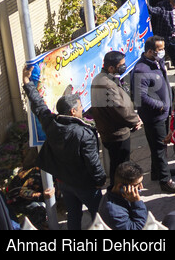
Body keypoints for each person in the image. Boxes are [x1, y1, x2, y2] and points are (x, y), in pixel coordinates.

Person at [22, 67, 107, 230]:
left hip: (64, 182)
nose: (83, 109)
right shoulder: (84, 134)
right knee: (99, 216)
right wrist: (100, 181)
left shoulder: (51, 124)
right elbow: (93, 163)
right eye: (81, 107)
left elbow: (38, 105)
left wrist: (27, 82)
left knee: (74, 216)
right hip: (85, 185)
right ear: (73, 111)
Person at [130, 36, 175, 194]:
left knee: (161, 145)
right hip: (154, 116)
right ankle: (165, 181)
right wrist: (159, 105)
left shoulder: (157, 62)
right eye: (160, 50)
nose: (163, 52)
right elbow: (140, 97)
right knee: (159, 147)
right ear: (150, 51)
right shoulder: (141, 70)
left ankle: (158, 171)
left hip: (163, 113)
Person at [89, 51, 142, 188]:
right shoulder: (106, 84)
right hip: (117, 134)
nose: (124, 67)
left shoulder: (102, 79)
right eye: (121, 65)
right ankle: (120, 191)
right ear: (111, 67)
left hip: (112, 131)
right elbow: (120, 110)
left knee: (117, 165)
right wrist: (135, 120)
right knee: (121, 167)